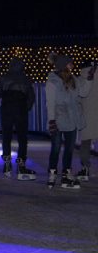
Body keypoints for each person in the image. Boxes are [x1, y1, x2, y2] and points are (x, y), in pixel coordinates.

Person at [0, 58, 36, 180]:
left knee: (6, 137)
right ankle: (21, 165)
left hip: (7, 108)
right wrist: (26, 107)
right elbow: (31, 96)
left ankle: (7, 164)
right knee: (22, 139)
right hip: (20, 109)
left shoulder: (4, 78)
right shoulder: (25, 79)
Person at [45, 53, 85, 189]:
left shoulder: (74, 79)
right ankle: (52, 173)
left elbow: (83, 92)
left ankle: (66, 175)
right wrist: (52, 121)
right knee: (55, 148)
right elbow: (50, 103)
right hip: (58, 119)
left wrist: (90, 79)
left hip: (72, 119)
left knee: (69, 149)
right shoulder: (53, 81)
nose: (72, 64)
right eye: (70, 62)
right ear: (63, 65)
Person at [77, 60, 98, 182]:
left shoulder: (80, 79)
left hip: (86, 115)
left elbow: (78, 97)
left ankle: (85, 168)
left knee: (85, 143)